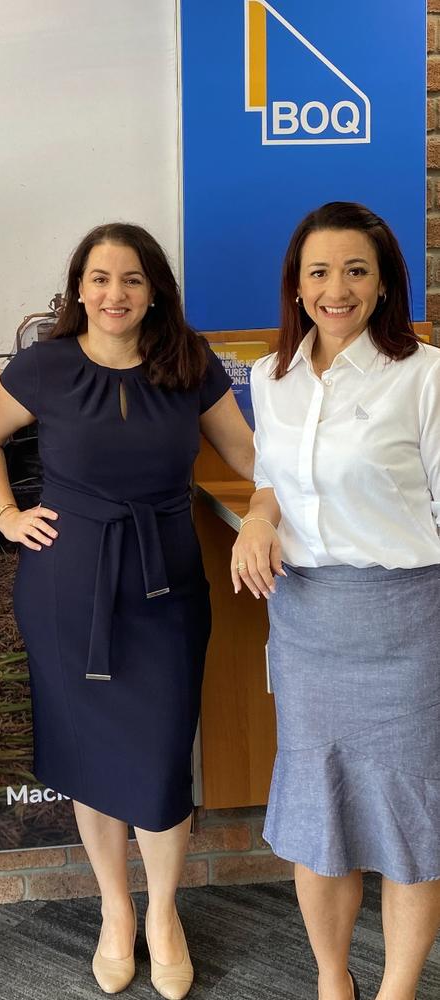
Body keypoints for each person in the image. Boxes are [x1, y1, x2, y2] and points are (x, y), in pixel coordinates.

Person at [0, 222, 254, 998]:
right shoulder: (45, 365)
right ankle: (114, 911)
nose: (114, 294)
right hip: (65, 586)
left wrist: (269, 507)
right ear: (79, 288)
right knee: (90, 759)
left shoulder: (188, 363)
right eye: (99, 278)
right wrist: (4, 515)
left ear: (154, 288)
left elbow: (247, 453)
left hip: (164, 584)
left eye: (131, 278)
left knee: (161, 759)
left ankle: (164, 913)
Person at [231, 202, 440, 1000]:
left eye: (356, 269)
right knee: (321, 820)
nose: (337, 288)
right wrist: (257, 517)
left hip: (407, 624)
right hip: (309, 620)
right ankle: (331, 980)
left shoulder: (424, 376)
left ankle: (397, 989)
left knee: (412, 821)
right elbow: (272, 482)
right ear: (296, 285)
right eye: (319, 271)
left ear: (385, 282)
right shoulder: (269, 378)